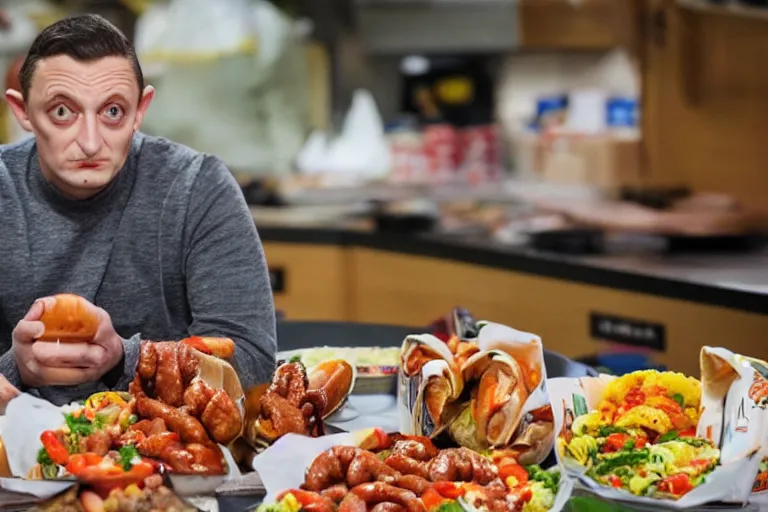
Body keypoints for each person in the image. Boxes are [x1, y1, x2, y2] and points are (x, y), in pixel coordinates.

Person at [0, 14, 277, 406]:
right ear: (23, 112)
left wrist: (125, 358)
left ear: (140, 109)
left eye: (112, 112)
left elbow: (252, 362)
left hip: (169, 458)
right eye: (63, 112)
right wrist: (16, 367)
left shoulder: (197, 187)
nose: (91, 142)